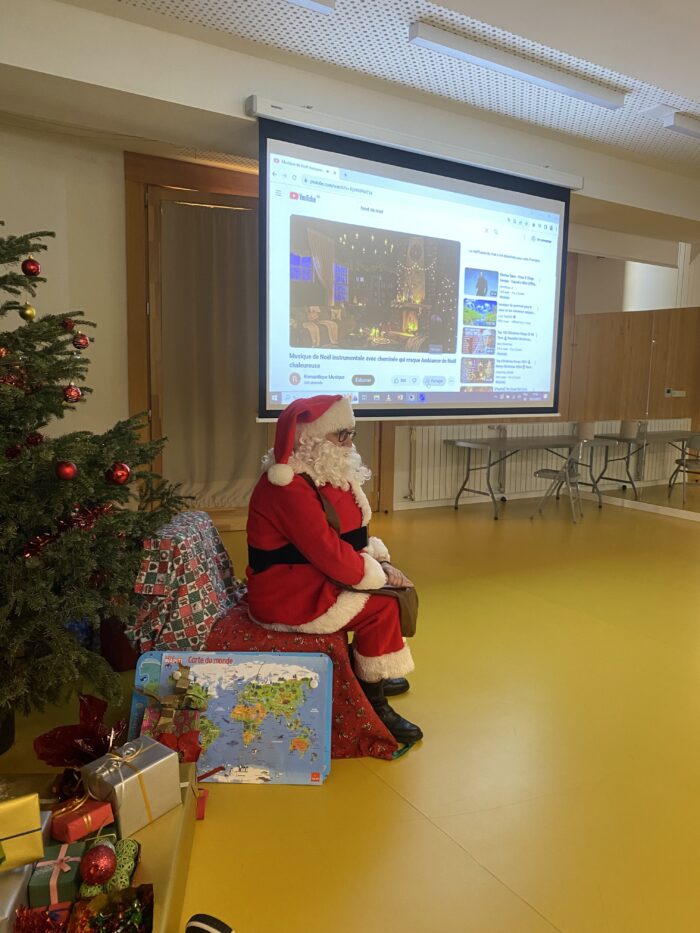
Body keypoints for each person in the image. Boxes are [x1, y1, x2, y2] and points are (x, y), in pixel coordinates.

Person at [246, 394, 422, 744]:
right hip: (285, 592)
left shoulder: (322, 475)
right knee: (383, 605)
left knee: (394, 590)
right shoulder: (288, 486)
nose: (349, 443)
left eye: (351, 433)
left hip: (308, 575)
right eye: (341, 435)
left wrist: (382, 563)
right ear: (309, 439)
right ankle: (373, 705)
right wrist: (378, 575)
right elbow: (328, 551)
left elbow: (352, 535)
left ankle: (371, 670)